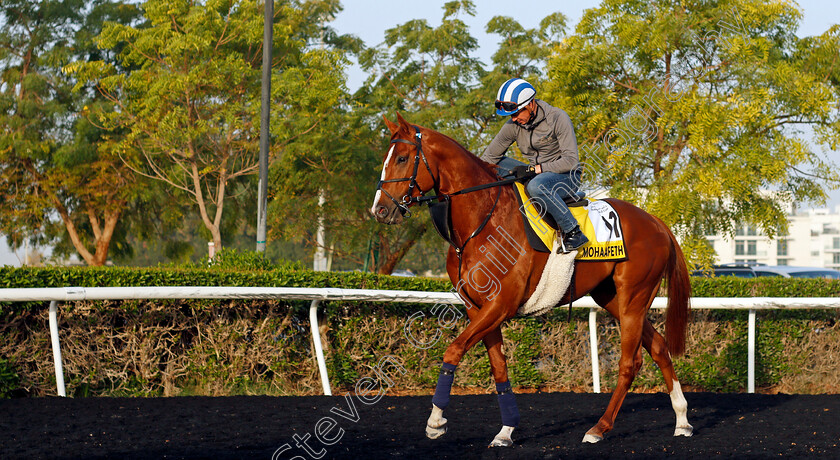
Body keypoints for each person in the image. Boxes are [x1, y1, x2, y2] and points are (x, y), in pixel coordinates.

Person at [480, 77, 588, 253]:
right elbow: (488, 158)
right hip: (537, 175)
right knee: (492, 165)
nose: (513, 119)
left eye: (516, 114)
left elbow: (571, 161)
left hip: (567, 176)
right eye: (510, 116)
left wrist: (534, 170)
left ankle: (574, 232)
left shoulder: (558, 117)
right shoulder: (513, 125)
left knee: (536, 185)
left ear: (530, 104)